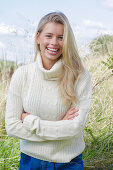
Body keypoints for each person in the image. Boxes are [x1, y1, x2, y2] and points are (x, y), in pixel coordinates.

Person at [5, 11, 92, 170]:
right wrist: (60, 126)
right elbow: (11, 126)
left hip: (69, 162)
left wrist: (31, 121)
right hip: (31, 162)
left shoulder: (80, 75)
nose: (54, 42)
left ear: (67, 41)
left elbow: (75, 128)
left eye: (61, 38)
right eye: (49, 36)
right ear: (38, 37)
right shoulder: (22, 75)